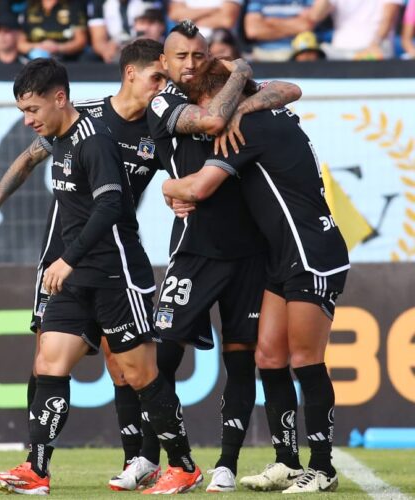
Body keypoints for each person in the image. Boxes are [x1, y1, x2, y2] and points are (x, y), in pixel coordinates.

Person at [0, 57, 202, 496]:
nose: (28, 121)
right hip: (75, 278)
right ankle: (37, 471)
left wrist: (69, 259)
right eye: (23, 112)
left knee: (140, 376)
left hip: (115, 274)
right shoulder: (58, 138)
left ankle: (184, 465)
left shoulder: (92, 142)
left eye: (33, 110)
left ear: (60, 99)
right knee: (48, 362)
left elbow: (111, 206)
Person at [161, 57, 349, 494]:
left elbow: (198, 188)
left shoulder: (249, 128)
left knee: (306, 360)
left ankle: (322, 468)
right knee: (268, 357)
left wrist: (168, 189)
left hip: (310, 252)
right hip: (279, 257)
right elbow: (290, 89)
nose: (207, 120)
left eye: (208, 106)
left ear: (219, 99)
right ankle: (286, 460)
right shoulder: (261, 109)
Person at [145, 19, 302, 493]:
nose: (190, 65)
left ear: (209, 55)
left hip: (250, 251)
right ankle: (166, 460)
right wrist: (239, 78)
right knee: (162, 359)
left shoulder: (226, 87)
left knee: (243, 361)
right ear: (164, 62)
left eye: (198, 55)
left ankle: (228, 463)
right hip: (193, 250)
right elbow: (212, 120)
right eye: (181, 57)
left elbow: (291, 88)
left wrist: (243, 102)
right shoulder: (164, 101)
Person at [307, 0, 403, 60]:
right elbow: (315, 16)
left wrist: (373, 46)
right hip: (339, 51)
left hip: (375, 50)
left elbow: (389, 18)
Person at [87, 0, 164, 63]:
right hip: (116, 46)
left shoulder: (146, 3)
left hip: (142, 43)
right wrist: (107, 51)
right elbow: (98, 40)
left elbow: (153, 30)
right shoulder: (100, 3)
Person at [244, 0, 314, 62]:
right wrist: (294, 26)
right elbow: (253, 31)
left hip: (297, 54)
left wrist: (270, 22)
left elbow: (306, 26)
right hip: (263, 54)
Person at [17, 0, 88, 61]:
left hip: (66, 59)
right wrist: (39, 46)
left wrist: (58, 48)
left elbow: (81, 41)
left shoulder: (73, 5)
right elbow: (21, 45)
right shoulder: (31, 7)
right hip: (35, 59)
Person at [167, 0, 242, 39]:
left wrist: (188, 18)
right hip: (187, 41)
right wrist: (213, 10)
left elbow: (227, 21)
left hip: (218, 43)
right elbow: (174, 14)